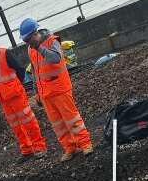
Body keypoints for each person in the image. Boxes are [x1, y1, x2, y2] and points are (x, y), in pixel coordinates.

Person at [19, 18, 93, 162]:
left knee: (72, 119)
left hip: (60, 89)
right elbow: (35, 71)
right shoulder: (30, 49)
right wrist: (36, 92)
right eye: (26, 41)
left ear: (36, 33)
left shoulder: (52, 41)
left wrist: (39, 47)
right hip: (45, 93)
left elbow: (55, 58)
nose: (28, 43)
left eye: (29, 39)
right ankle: (70, 147)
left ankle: (85, 144)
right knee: (58, 125)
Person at [0, 32, 46, 162]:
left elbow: (20, 70)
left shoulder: (4, 53)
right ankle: (27, 150)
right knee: (16, 126)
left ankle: (39, 147)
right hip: (3, 98)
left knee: (28, 121)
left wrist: (15, 85)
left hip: (16, 94)